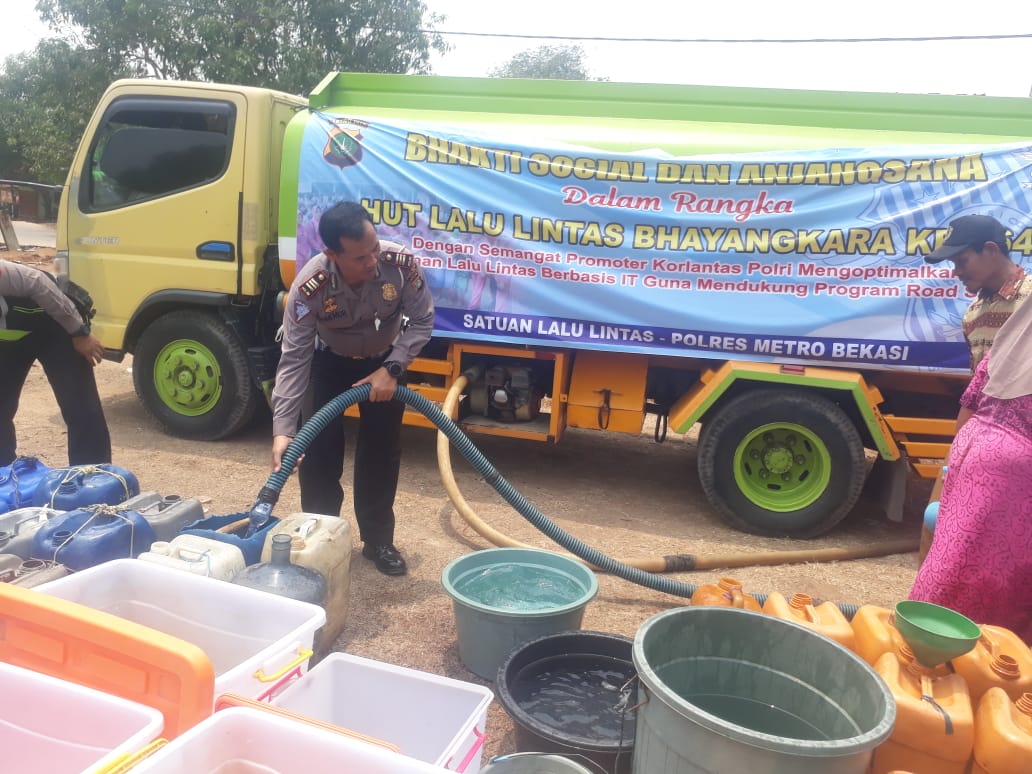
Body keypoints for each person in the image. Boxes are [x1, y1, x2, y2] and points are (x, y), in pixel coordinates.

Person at [271, 201, 435, 576]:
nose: (373, 261)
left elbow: (423, 320)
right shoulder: (310, 287)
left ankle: (378, 541)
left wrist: (391, 369)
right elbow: (294, 360)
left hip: (385, 365)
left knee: (381, 453)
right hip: (328, 362)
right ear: (332, 254)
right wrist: (283, 431)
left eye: (375, 248)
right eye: (361, 257)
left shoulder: (401, 265)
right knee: (319, 454)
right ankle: (323, 543)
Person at [908, 291, 1032, 642]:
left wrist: (951, 472)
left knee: (951, 568)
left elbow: (968, 406)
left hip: (974, 453)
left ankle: (922, 650)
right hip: (1014, 475)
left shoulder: (1009, 343)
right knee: (997, 596)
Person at [0, 259, 111, 467]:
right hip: (10, 338)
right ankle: (6, 478)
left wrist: (79, 333)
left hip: (59, 326)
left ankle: (93, 477)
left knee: (80, 407)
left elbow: (37, 282)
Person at [925, 214, 1032, 370]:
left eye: (962, 261)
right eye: (954, 264)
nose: (957, 272)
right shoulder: (972, 313)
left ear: (991, 250)